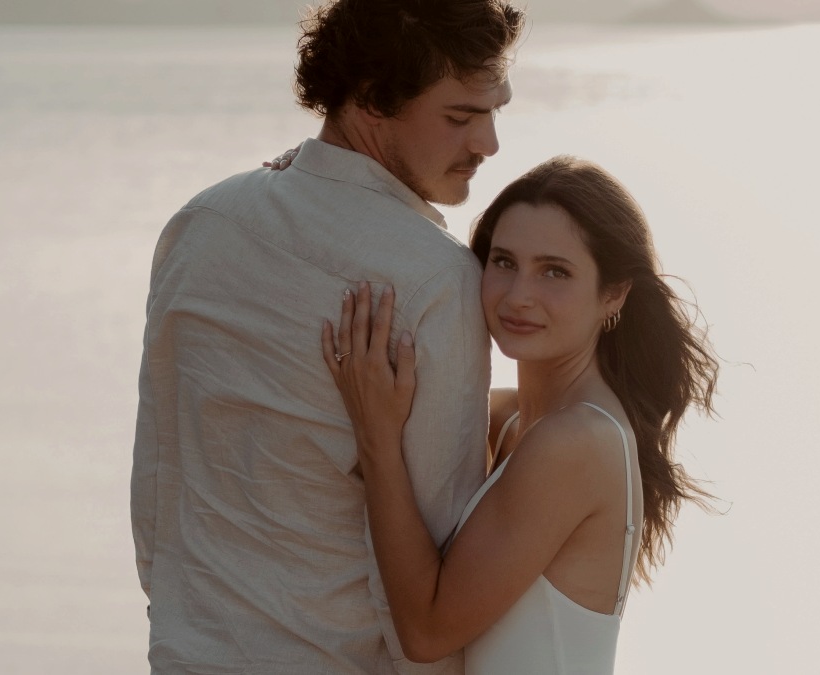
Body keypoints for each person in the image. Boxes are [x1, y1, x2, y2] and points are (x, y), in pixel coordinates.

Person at [130, 1, 525, 673]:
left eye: (495, 112)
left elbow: (157, 490)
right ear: (370, 100)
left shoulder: (200, 223)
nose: (488, 143)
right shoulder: (434, 281)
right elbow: (431, 572)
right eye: (460, 117)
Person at [321, 156, 719, 674]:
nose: (518, 296)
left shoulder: (577, 441)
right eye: (504, 262)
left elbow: (426, 632)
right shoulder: (513, 418)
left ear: (613, 294)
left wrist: (377, 439)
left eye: (554, 271)